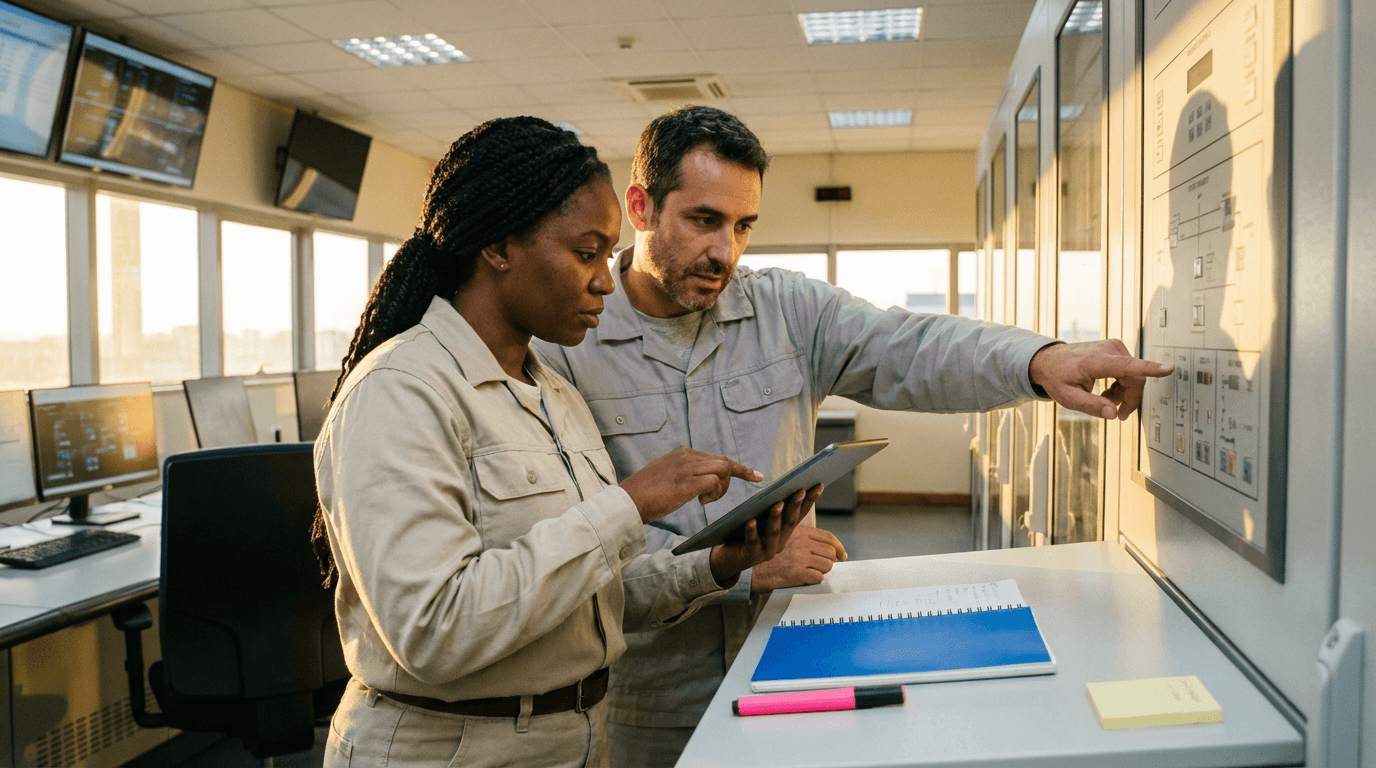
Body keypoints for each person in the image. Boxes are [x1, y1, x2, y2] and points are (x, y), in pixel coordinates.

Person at [532, 105, 1174, 767]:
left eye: (744, 225)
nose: (726, 251)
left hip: (794, 654)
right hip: (650, 697)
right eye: (704, 221)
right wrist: (731, 573)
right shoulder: (567, 343)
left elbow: (910, 347)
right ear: (641, 207)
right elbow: (574, 558)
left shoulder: (785, 310)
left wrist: (1039, 361)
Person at [311, 116, 810, 768]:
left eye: (607, 256)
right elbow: (433, 631)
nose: (606, 280)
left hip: (571, 738)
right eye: (586, 254)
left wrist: (717, 565)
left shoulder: (554, 395)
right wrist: (627, 506)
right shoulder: (401, 392)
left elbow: (592, 594)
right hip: (446, 748)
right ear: (498, 247)